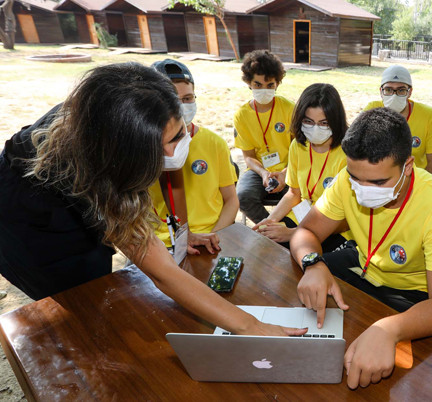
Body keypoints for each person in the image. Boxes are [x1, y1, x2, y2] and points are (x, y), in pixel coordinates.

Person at [0, 63, 305, 338]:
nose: (174, 155)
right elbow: (161, 272)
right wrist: (250, 325)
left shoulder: (132, 104)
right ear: (126, 153)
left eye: (178, 136)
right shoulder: (98, 166)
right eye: (162, 149)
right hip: (30, 222)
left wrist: (181, 237)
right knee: (85, 297)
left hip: (76, 188)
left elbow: (168, 191)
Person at [289, 108, 432, 389]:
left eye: (379, 182)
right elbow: (306, 231)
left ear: (408, 166)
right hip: (362, 267)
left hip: (408, 296)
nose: (363, 189)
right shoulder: (346, 182)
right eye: (355, 177)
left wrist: (389, 328)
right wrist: (312, 263)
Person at [148, 59, 239, 253]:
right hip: (161, 244)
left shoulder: (214, 143)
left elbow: (231, 200)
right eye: (172, 99)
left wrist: (215, 236)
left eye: (188, 98)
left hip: (212, 236)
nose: (181, 106)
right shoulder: (142, 147)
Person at [253, 83, 350, 251]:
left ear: (335, 121)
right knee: (264, 243)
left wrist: (294, 233)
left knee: (302, 255)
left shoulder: (348, 154)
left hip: (336, 225)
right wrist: (270, 220)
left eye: (324, 123)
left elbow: (346, 219)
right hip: (304, 214)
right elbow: (294, 194)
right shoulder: (298, 146)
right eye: (308, 121)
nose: (315, 129)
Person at [234, 50, 294, 222]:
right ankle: (273, 231)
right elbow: (249, 157)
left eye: (270, 85)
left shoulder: (289, 108)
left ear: (277, 83)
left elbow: (301, 150)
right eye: (258, 85)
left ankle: (287, 231)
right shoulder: (242, 115)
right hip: (258, 170)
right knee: (242, 196)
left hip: (290, 168)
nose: (264, 90)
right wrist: (263, 173)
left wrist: (285, 173)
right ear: (249, 83)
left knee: (302, 196)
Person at [363, 65, 432, 175]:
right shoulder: (372, 110)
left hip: (414, 180)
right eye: (388, 90)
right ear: (381, 92)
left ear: (410, 92)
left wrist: (415, 188)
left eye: (401, 90)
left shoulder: (429, 116)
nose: (394, 95)